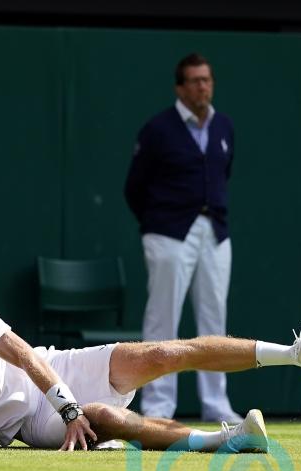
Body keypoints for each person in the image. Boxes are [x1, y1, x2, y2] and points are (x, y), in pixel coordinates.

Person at [0, 236, 301, 453]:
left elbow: (22, 355)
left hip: (50, 370)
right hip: (28, 422)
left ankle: (300, 354)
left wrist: (67, 406)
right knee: (103, 419)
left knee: (161, 354)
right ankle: (230, 440)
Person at [124, 52, 241, 422]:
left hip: (215, 233)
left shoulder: (224, 127)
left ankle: (215, 404)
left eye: (206, 79)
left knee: (214, 320)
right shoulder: (158, 129)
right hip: (168, 234)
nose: (202, 86)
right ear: (180, 87)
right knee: (163, 321)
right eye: (194, 80)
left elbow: (225, 174)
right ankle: (158, 406)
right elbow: (134, 187)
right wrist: (156, 226)